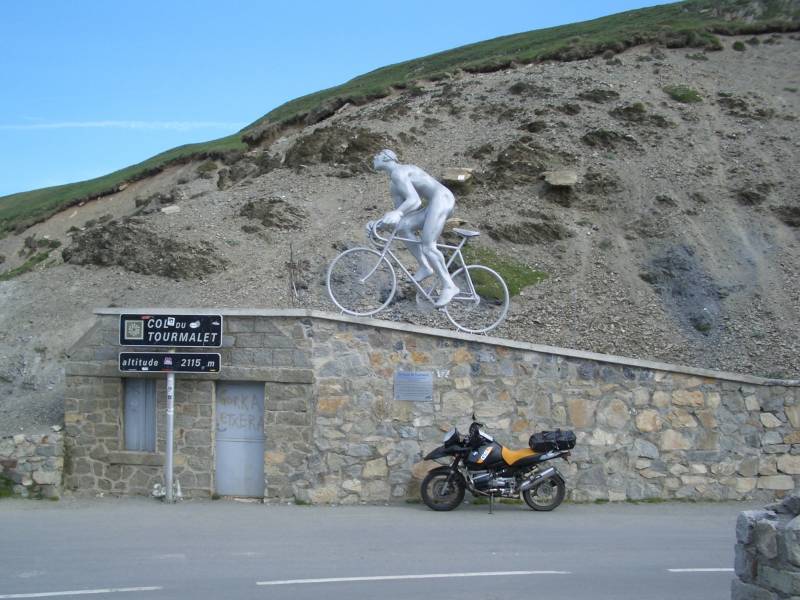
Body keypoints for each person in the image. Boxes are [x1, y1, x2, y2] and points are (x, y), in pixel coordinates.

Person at [372, 149, 459, 307]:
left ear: (385, 157)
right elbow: (400, 218)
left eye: (376, 155)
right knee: (402, 227)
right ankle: (425, 266)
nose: (373, 158)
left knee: (428, 246)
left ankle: (449, 285)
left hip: (442, 199)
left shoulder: (399, 172)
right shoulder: (394, 184)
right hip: (433, 204)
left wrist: (397, 213)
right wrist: (379, 224)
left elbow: (414, 201)